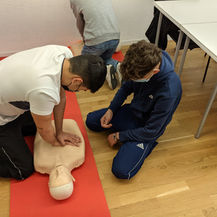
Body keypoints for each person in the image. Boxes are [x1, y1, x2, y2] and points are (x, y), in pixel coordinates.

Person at [0, 45, 106, 180]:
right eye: (82, 89)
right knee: (23, 169)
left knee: (39, 122)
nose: (79, 91)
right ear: (77, 80)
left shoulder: (64, 54)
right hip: (3, 119)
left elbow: (60, 98)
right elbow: (44, 129)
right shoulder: (43, 89)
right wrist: (55, 142)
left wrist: (59, 132)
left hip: (11, 99)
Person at [86, 40, 182, 179]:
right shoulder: (137, 65)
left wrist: (119, 136)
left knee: (121, 171)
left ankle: (142, 145)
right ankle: (125, 134)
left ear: (154, 72)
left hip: (146, 129)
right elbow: (125, 88)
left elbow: (152, 130)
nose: (132, 80)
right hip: (132, 112)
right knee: (91, 121)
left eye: (135, 79)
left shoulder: (169, 90)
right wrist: (111, 110)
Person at [70, 0, 121, 90]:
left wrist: (84, 38)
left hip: (96, 41)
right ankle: (117, 66)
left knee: (83, 67)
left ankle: (105, 69)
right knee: (106, 57)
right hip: (115, 38)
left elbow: (80, 23)